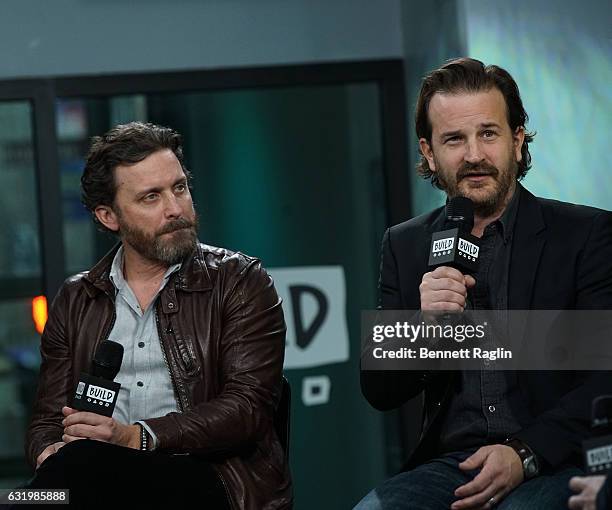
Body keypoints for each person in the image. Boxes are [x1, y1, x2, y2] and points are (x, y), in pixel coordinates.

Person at [355, 58, 612, 509]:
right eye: (454, 138)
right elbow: (379, 391)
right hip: (452, 466)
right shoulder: (406, 244)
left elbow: (604, 381)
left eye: (488, 134)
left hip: (555, 456)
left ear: (516, 142)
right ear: (430, 152)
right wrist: (423, 327)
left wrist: (524, 453)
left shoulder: (585, 234)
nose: (474, 154)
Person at [22, 122, 291, 509]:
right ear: (108, 216)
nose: (175, 209)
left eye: (179, 188)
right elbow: (48, 418)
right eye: (151, 197)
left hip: (212, 478)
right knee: (47, 486)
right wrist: (48, 452)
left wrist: (135, 436)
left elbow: (247, 409)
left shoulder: (240, 281)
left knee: (53, 486)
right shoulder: (76, 299)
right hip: (98, 478)